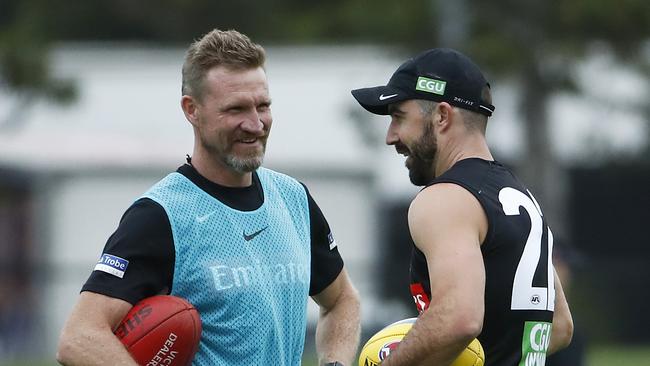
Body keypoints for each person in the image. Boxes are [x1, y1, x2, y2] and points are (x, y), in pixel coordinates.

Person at [56, 29, 360, 366]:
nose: (255, 124)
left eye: (263, 106)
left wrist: (335, 362)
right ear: (192, 110)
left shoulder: (293, 199)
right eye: (236, 109)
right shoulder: (160, 215)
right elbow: (80, 337)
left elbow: (342, 300)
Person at [351, 48, 573, 365]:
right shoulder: (518, 194)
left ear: (442, 116)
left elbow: (459, 319)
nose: (391, 136)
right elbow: (560, 327)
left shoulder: (445, 198)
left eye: (399, 117)